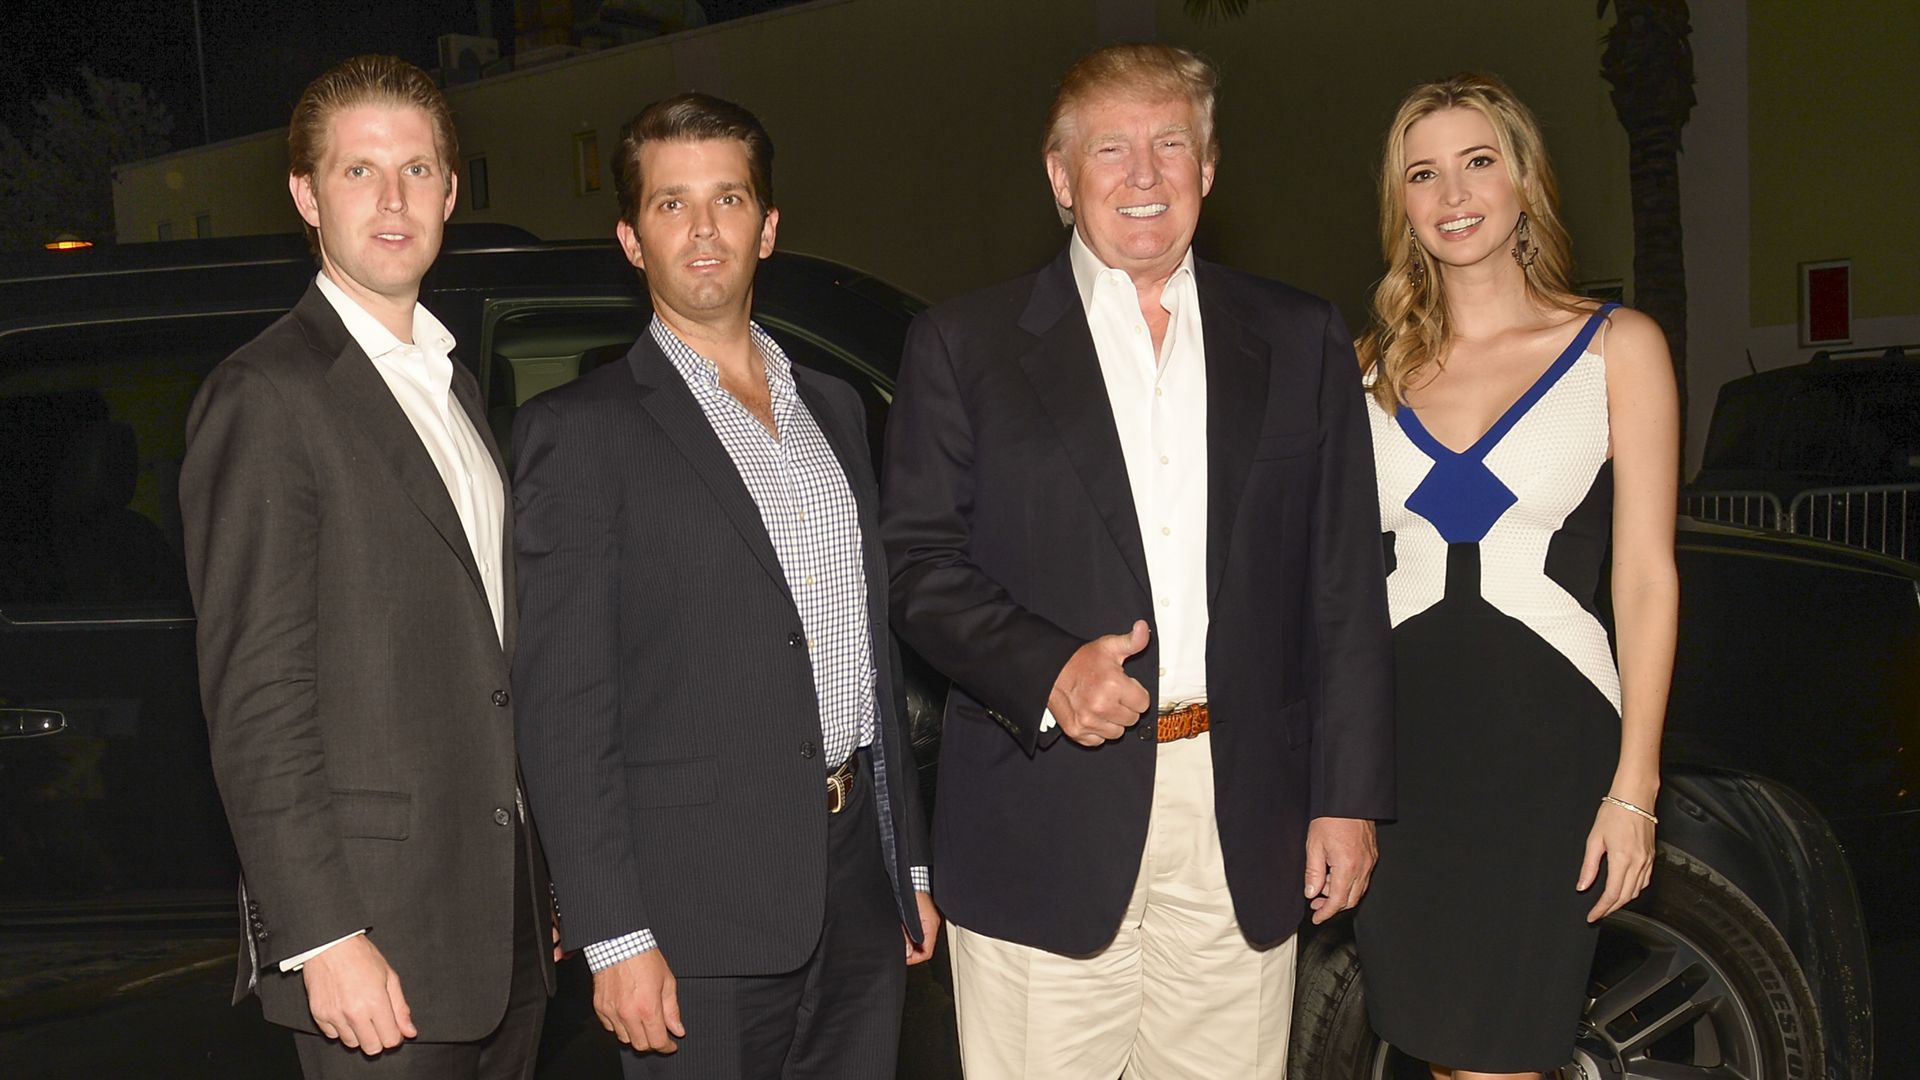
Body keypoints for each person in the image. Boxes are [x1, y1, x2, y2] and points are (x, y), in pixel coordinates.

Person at [880, 43, 1394, 1079]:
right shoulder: (964, 346)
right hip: (1043, 822)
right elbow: (917, 568)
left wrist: (1348, 794)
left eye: (1172, 145)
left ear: (1209, 169)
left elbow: (1341, 584)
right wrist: (1047, 669)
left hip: (1244, 821)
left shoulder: (1299, 340)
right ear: (1061, 178)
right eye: (1110, 149)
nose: (1145, 175)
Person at [510, 92, 937, 1080]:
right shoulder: (580, 433)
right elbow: (564, 709)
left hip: (855, 887)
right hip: (689, 912)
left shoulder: (830, 407)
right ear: (630, 238)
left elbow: (868, 652)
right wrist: (615, 935)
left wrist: (902, 858)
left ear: (769, 225)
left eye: (729, 199)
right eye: (671, 205)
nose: (703, 229)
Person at [180, 55, 554, 1079]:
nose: (393, 200)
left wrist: (541, 888)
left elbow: (486, 668)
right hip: (373, 947)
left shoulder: (455, 388)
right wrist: (323, 937)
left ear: (451, 189)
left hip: (502, 935)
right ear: (305, 194)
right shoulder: (267, 395)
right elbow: (258, 699)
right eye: (358, 172)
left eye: (418, 170)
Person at [1349, 73, 1679, 1079]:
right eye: (1425, 172)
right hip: (1399, 760)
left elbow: (1648, 579)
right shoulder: (1364, 370)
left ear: (1524, 180)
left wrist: (1636, 786)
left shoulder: (1616, 349)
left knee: (1497, 1055)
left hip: (1547, 747)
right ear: (1401, 203)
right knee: (1443, 1054)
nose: (1454, 192)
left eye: (1479, 161)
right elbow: (1337, 590)